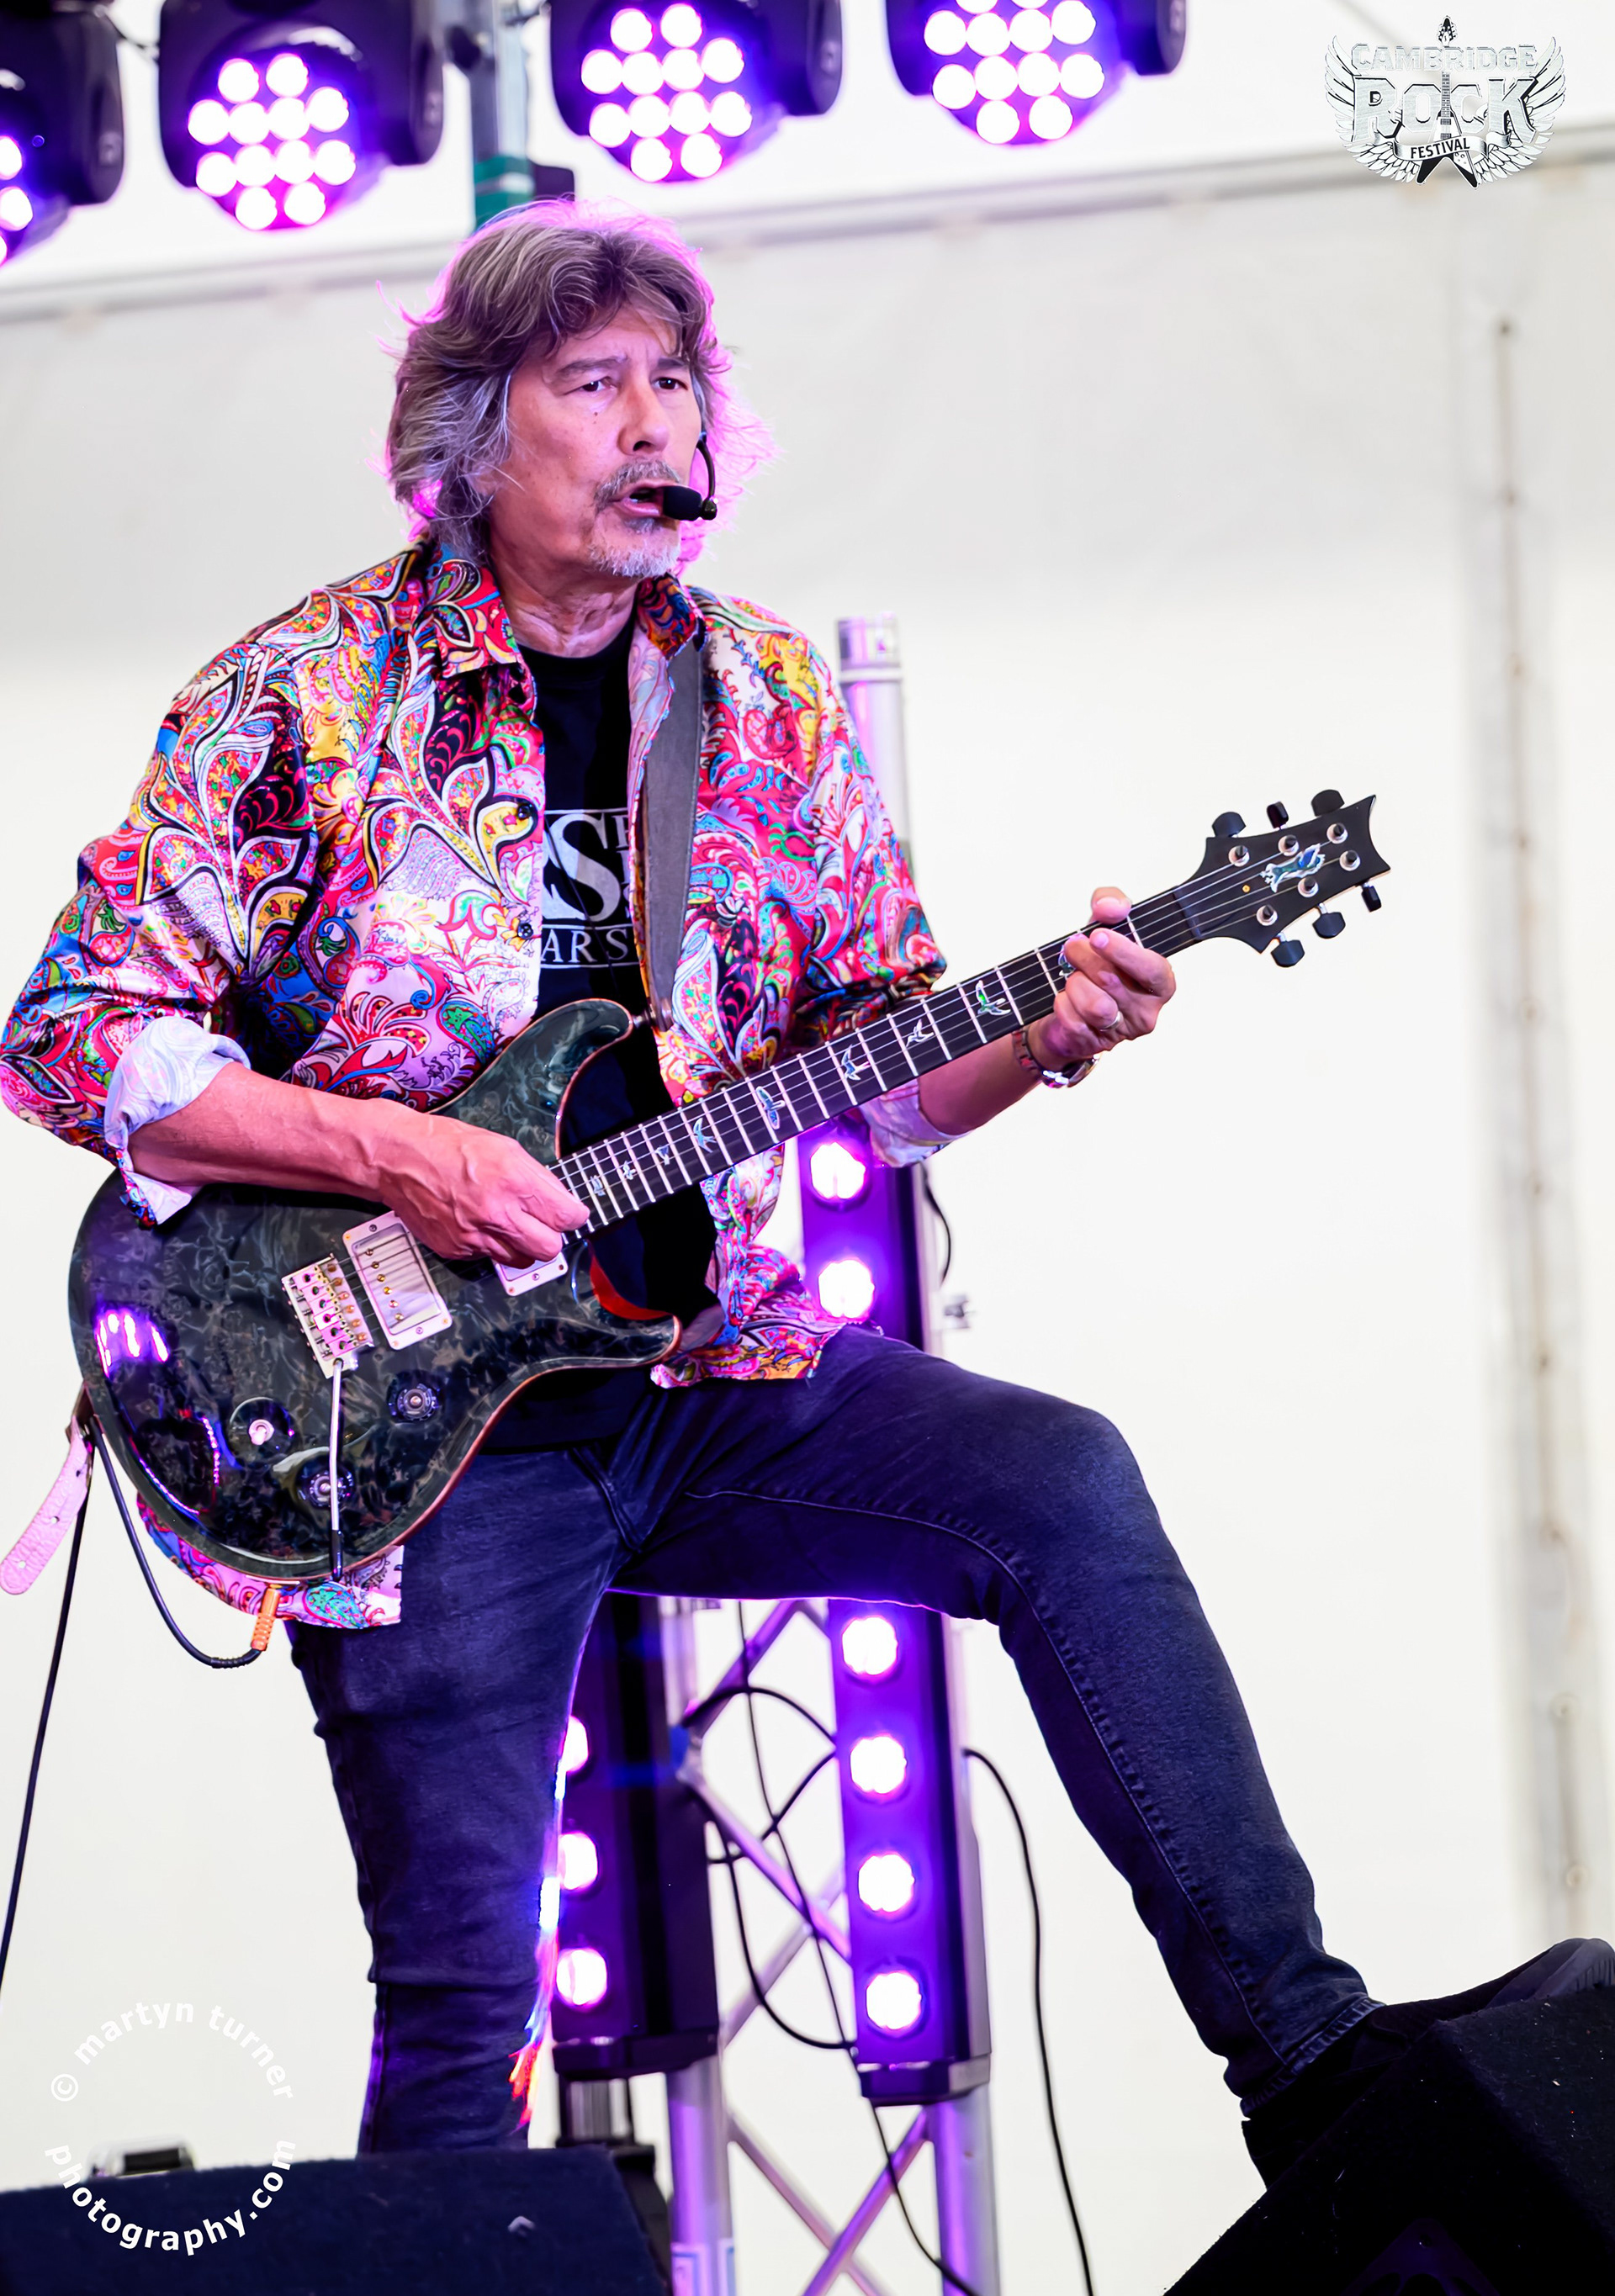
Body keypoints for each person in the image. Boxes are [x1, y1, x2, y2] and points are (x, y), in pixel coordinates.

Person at [3, 204, 1607, 2187]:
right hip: (409, 1438)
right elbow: (76, 1036)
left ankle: (1322, 2078)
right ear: (473, 435)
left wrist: (1050, 1034)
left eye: (678, 382)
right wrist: (398, 1148)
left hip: (704, 1375)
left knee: (1062, 1483)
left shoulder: (759, 697)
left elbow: (888, 1071)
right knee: (462, 2004)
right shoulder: (311, 694)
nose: (655, 423)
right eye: (596, 382)